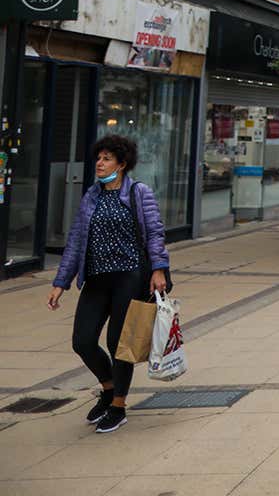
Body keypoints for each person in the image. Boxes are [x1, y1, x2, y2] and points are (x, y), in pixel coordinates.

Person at [46, 135, 169, 434]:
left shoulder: (138, 192)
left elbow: (155, 233)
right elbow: (76, 241)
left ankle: (118, 406)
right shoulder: (91, 196)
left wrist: (159, 269)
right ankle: (108, 388)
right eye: (98, 158)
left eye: (107, 159)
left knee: (118, 344)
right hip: (97, 278)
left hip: (129, 277)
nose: (99, 164)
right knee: (83, 341)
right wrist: (61, 282)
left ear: (122, 164)